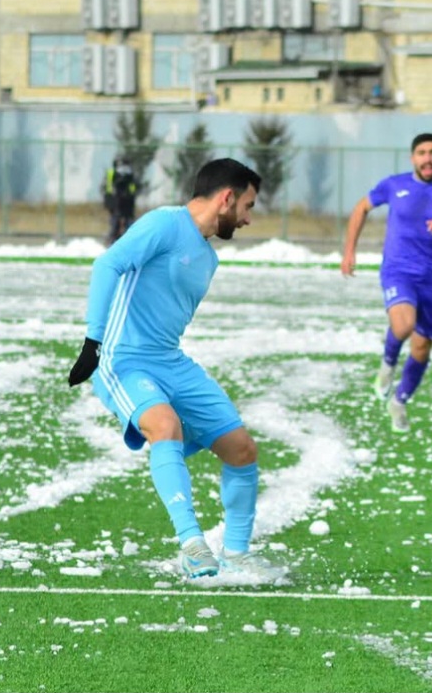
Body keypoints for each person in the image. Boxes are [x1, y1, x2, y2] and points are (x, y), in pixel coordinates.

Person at [68, 158, 284, 581]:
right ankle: (192, 546)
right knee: (164, 426)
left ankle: (237, 553)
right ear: (227, 198)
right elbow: (107, 265)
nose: (248, 219)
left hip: (170, 360)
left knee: (242, 450)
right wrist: (94, 344)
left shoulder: (208, 257)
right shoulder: (164, 224)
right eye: (248, 206)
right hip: (123, 358)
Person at [340, 133, 432, 432]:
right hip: (398, 270)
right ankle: (386, 367)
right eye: (422, 153)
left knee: (422, 348)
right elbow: (361, 208)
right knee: (403, 326)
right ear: (413, 158)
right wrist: (349, 251)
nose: (428, 158)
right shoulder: (394, 185)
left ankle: (398, 401)